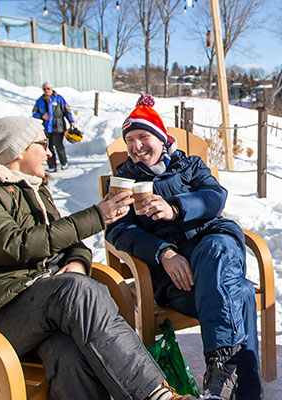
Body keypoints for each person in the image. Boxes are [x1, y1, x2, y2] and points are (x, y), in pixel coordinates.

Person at [0, 115, 197, 400]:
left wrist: (75, 262)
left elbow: (68, 241)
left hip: (36, 307)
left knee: (68, 351)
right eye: (42, 143)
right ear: (17, 150)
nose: (50, 152)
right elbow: (14, 245)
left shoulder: (32, 189)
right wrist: (97, 216)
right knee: (76, 291)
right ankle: (156, 396)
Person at [105, 95, 262, 400]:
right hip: (179, 279)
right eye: (130, 140)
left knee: (215, 249)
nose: (137, 146)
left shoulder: (189, 166)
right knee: (239, 292)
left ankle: (219, 367)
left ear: (162, 139)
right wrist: (163, 252)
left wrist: (175, 208)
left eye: (143, 136)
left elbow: (215, 196)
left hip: (213, 245)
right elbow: (118, 231)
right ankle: (245, 393)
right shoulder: (123, 183)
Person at [32, 82, 74, 172]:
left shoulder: (59, 99)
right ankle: (52, 166)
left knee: (58, 145)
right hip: (47, 127)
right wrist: (41, 116)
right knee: (48, 147)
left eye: (48, 89)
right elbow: (34, 113)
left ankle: (64, 163)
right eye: (44, 89)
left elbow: (67, 111)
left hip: (58, 126)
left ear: (51, 89)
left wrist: (71, 121)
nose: (46, 91)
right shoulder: (40, 101)